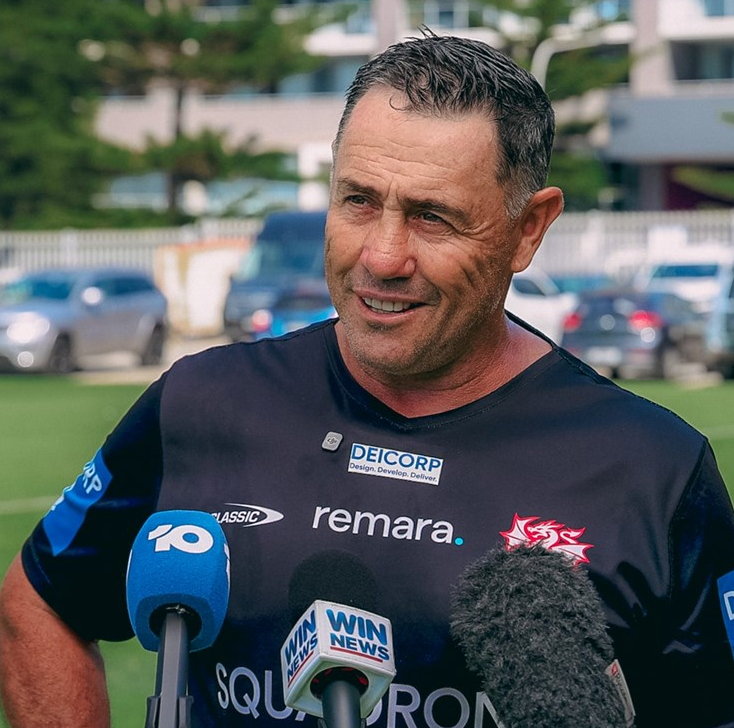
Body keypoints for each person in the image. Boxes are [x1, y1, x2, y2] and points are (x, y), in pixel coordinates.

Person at [1, 31, 734, 728]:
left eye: (432, 217)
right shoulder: (202, 403)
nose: (382, 256)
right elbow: (38, 601)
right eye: (358, 200)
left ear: (528, 230)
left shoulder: (653, 469)